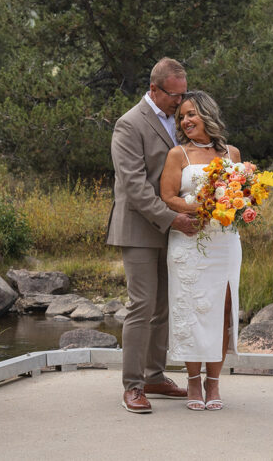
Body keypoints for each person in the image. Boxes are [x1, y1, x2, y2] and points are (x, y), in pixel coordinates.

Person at [107, 57, 198, 414]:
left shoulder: (178, 121)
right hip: (139, 229)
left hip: (171, 228)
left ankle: (155, 376)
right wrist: (173, 218)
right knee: (142, 305)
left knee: (164, 306)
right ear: (154, 90)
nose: (181, 101)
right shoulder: (128, 125)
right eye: (174, 95)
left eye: (183, 94)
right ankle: (132, 386)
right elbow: (134, 187)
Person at [159, 90, 242, 411]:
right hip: (190, 240)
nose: (185, 121)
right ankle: (193, 381)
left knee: (222, 310)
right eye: (181, 117)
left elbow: (242, 191)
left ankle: (214, 381)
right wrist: (202, 207)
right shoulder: (178, 154)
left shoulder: (232, 154)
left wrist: (243, 202)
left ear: (207, 114)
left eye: (191, 114)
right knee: (192, 309)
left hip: (225, 242)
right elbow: (168, 197)